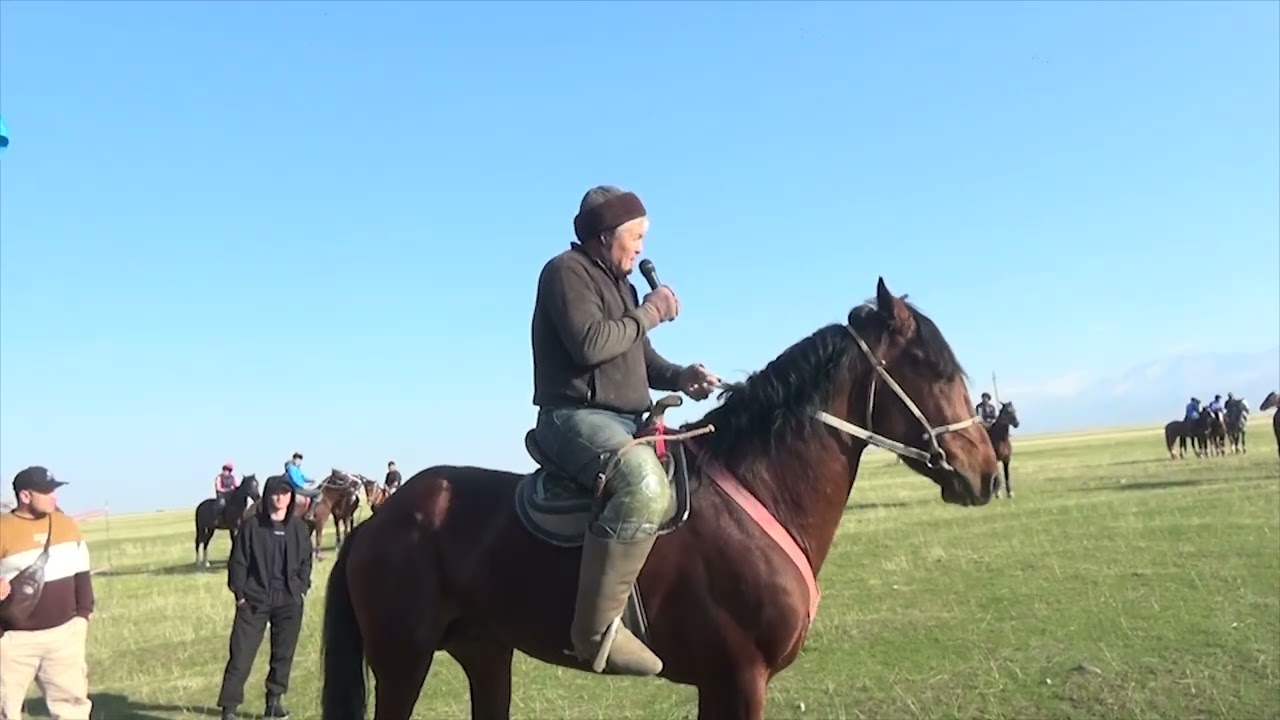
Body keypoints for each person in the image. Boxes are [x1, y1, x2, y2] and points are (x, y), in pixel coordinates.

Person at [530, 184, 720, 677]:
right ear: (603, 235)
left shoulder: (624, 288)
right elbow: (591, 344)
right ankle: (595, 632)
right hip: (572, 419)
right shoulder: (564, 273)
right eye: (635, 237)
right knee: (642, 484)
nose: (641, 248)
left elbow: (639, 358)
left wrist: (681, 376)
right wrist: (652, 311)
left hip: (625, 420)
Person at [0, 466, 94, 720]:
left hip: (64, 636)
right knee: (5, 711)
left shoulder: (66, 524)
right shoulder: (3, 529)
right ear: (25, 496)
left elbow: (82, 572)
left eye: (54, 490)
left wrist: (82, 615)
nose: (55, 496)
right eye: (46, 491)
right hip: (13, 640)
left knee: (72, 709)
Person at [216, 475, 313, 720]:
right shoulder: (251, 527)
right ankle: (229, 708)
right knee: (241, 654)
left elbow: (306, 562)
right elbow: (238, 563)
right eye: (275, 493)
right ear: (268, 496)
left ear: (291, 497)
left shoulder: (299, 528)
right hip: (254, 600)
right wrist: (240, 595)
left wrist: (301, 588)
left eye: (285, 493)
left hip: (289, 599)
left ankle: (274, 703)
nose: (280, 498)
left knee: (283, 655)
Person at [282, 453, 321, 523]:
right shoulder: (291, 468)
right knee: (318, 493)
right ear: (294, 459)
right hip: (296, 489)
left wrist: (312, 480)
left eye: (300, 460)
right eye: (297, 459)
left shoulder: (297, 468)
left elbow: (303, 477)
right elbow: (294, 480)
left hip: (299, 488)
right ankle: (309, 513)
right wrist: (303, 486)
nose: (299, 461)